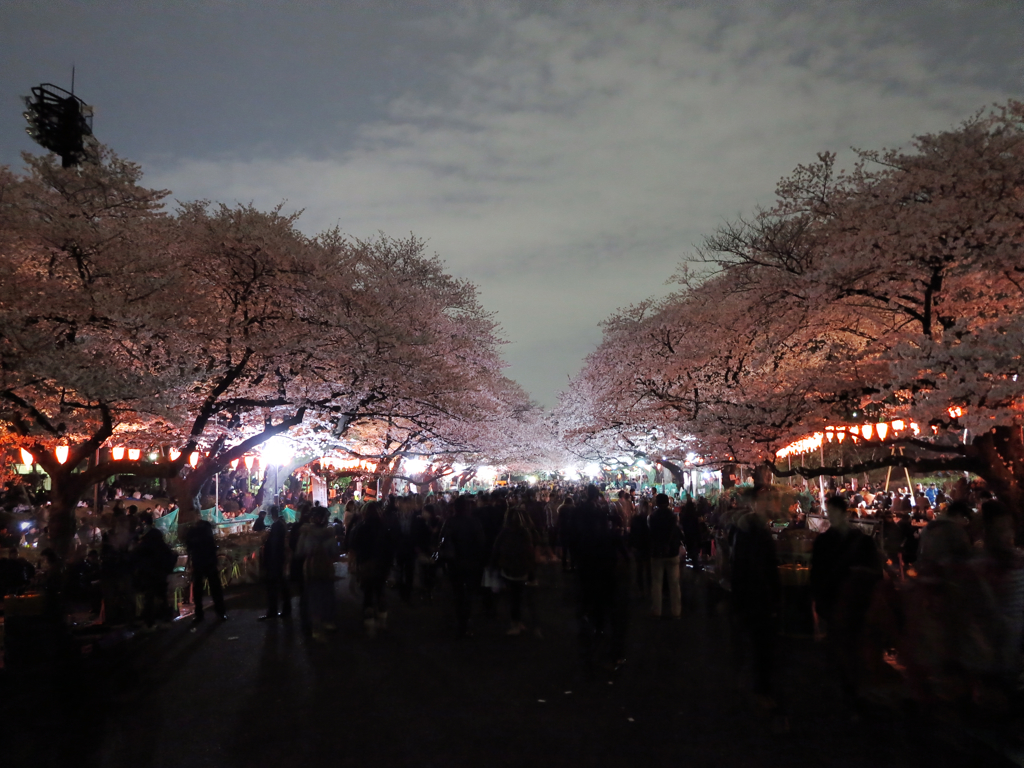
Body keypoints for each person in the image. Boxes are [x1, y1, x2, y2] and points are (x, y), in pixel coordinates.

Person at [810, 496, 881, 713]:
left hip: (843, 601)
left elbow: (817, 575)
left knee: (844, 644)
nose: (829, 515)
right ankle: (850, 689)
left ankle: (846, 689)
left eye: (831, 511)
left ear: (840, 513)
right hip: (850, 601)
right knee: (849, 644)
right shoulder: (861, 540)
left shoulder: (829, 542)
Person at [439, 494, 486, 638]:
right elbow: (481, 542)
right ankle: (466, 619)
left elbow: (442, 540)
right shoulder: (475, 522)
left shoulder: (450, 522)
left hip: (455, 562)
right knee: (469, 593)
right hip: (472, 562)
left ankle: (460, 621)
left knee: (458, 592)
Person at [491, 505, 537, 636]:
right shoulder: (525, 532)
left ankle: (515, 623)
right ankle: (519, 621)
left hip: (509, 569)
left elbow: (496, 549)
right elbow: (530, 551)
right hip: (522, 569)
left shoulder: (505, 532)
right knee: (519, 596)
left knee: (512, 598)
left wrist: (494, 564)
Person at [296, 507, 338, 642]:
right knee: (328, 594)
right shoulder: (330, 534)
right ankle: (328, 621)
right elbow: (335, 553)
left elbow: (299, 552)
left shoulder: (305, 533)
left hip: (310, 568)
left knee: (314, 597)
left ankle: (316, 628)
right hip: (326, 568)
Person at [132, 512, 176, 629]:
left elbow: (136, 557)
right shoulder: (162, 546)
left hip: (149, 576)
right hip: (160, 575)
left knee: (150, 599)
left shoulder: (145, 545)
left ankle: (149, 622)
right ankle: (165, 619)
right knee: (162, 597)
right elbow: (170, 558)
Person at [185, 519, 226, 625]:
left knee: (198, 589)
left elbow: (189, 547)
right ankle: (220, 612)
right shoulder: (207, 532)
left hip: (198, 562)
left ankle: (199, 614)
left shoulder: (192, 532)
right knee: (215, 588)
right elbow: (212, 546)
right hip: (209, 562)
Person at [648, 493, 682, 618]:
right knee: (674, 583)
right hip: (672, 552)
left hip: (657, 552)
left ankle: (657, 610)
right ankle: (676, 610)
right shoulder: (673, 516)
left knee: (657, 583)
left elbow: (651, 534)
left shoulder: (653, 517)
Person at [259, 506, 291, 620]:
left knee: (274, 586)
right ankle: (285, 609)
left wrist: (269, 559)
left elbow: (274, 545)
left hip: (275, 560)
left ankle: (274, 610)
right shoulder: (281, 524)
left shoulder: (277, 526)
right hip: (278, 559)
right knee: (282, 584)